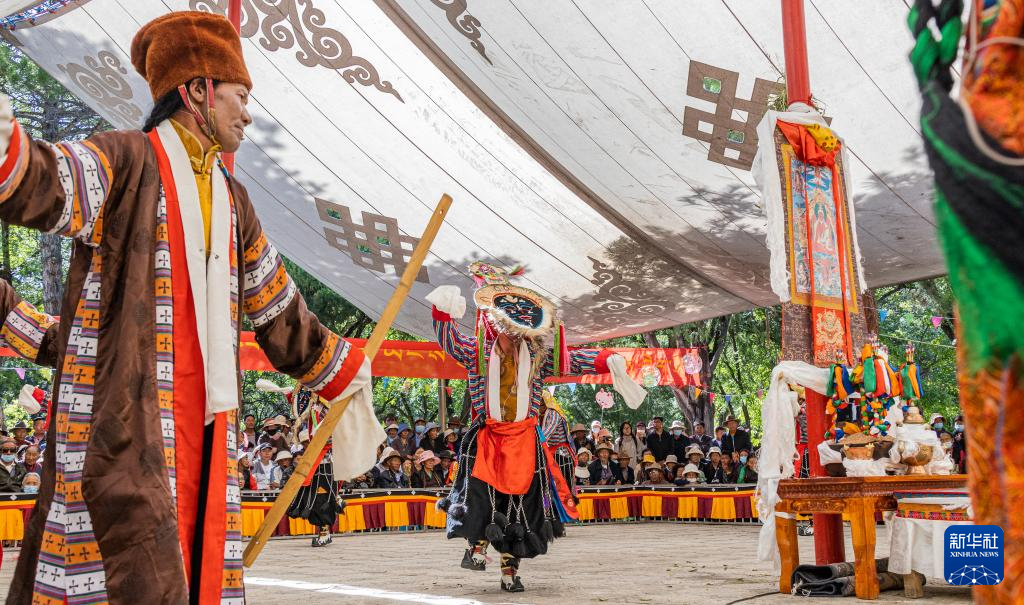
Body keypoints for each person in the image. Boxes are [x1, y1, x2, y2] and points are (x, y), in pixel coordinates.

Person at [3, 12, 383, 599]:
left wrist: (347, 369)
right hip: (125, 418)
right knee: (131, 570)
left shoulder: (234, 199)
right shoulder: (124, 159)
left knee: (194, 568)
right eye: (240, 96)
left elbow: (278, 309)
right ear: (198, 90)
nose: (247, 114)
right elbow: (52, 182)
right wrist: (9, 147)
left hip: (208, 428)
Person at [429, 263, 646, 592]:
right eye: (508, 328)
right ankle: (476, 547)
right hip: (487, 439)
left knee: (522, 509)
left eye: (519, 329)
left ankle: (509, 572)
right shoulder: (477, 352)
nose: (514, 335)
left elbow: (573, 360)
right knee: (479, 497)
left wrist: (607, 360)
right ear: (495, 325)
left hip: (524, 442)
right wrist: (442, 310)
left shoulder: (538, 356)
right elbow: (450, 341)